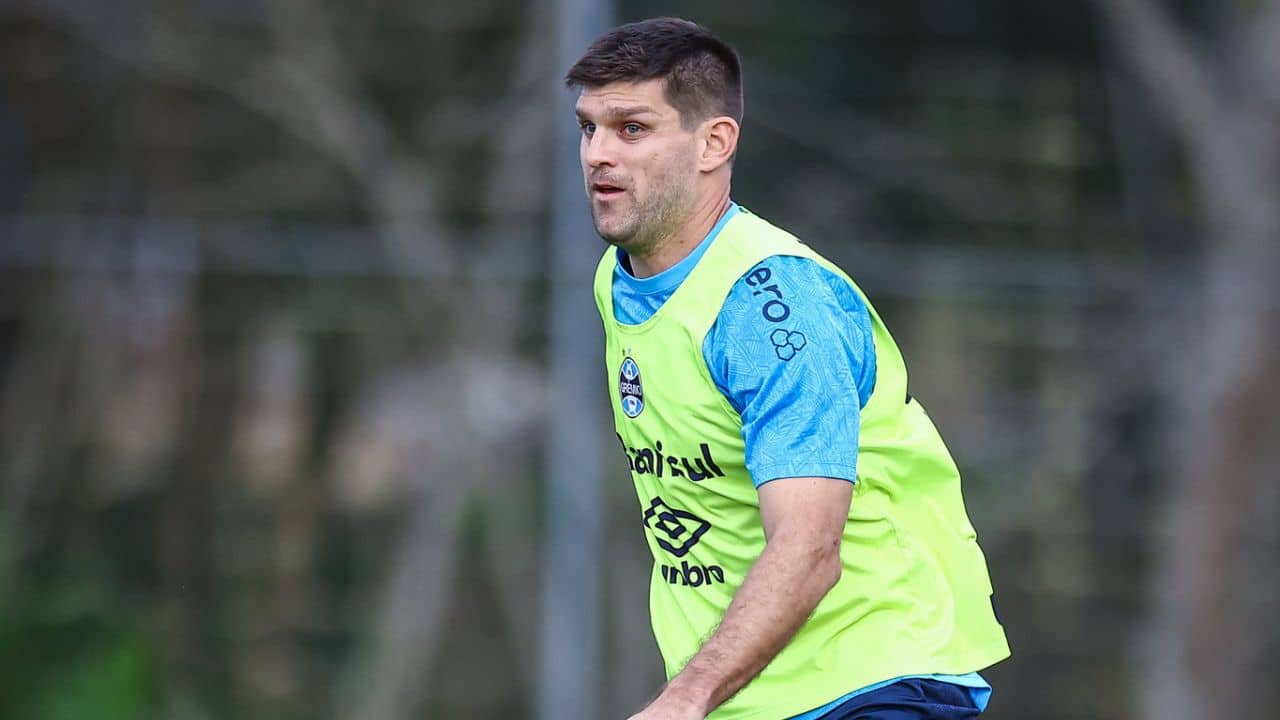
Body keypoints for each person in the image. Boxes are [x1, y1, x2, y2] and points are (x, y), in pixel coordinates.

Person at [567, 17, 1010, 720]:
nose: (597, 154)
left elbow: (809, 548)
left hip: (873, 683)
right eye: (589, 128)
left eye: (632, 129)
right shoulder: (617, 281)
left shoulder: (771, 308)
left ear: (715, 142)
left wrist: (683, 699)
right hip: (751, 700)